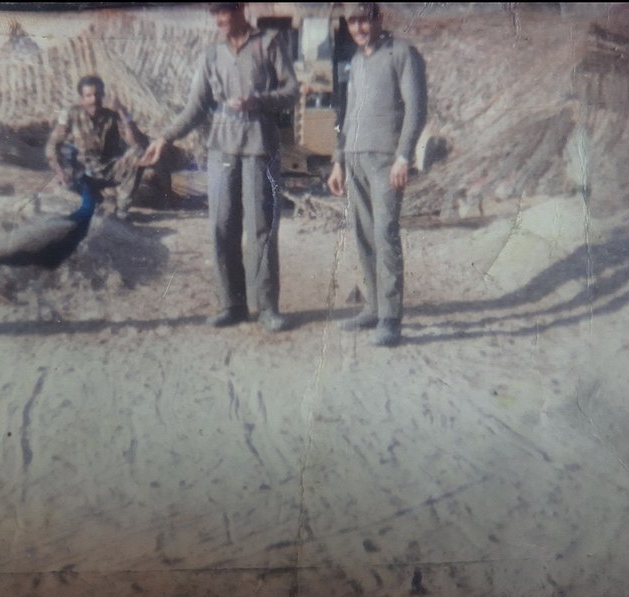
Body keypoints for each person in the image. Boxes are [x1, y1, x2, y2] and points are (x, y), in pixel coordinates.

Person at [140, 3, 299, 332]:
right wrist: (164, 138)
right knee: (222, 227)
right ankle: (233, 304)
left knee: (261, 229)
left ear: (241, 9)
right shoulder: (211, 54)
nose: (219, 20)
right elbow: (196, 106)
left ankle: (268, 307)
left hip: (258, 146)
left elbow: (292, 91)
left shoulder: (269, 43)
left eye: (224, 12)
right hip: (221, 148)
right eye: (214, 14)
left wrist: (259, 100)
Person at [327, 2, 427, 347]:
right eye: (352, 22)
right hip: (353, 158)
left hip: (386, 160)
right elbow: (348, 113)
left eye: (363, 20)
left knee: (385, 235)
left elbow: (416, 109)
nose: (358, 28)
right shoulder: (355, 61)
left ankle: (390, 317)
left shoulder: (402, 53)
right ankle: (372, 306)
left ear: (377, 19)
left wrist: (403, 157)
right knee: (363, 235)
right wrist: (338, 160)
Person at [46, 75, 146, 219]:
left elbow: (135, 143)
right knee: (65, 189)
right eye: (89, 96)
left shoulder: (112, 116)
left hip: (108, 169)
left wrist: (123, 112)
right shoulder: (71, 115)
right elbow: (52, 145)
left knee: (139, 153)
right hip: (82, 172)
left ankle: (122, 209)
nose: (94, 100)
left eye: (97, 94)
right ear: (82, 98)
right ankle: (95, 201)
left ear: (103, 95)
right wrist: (60, 170)